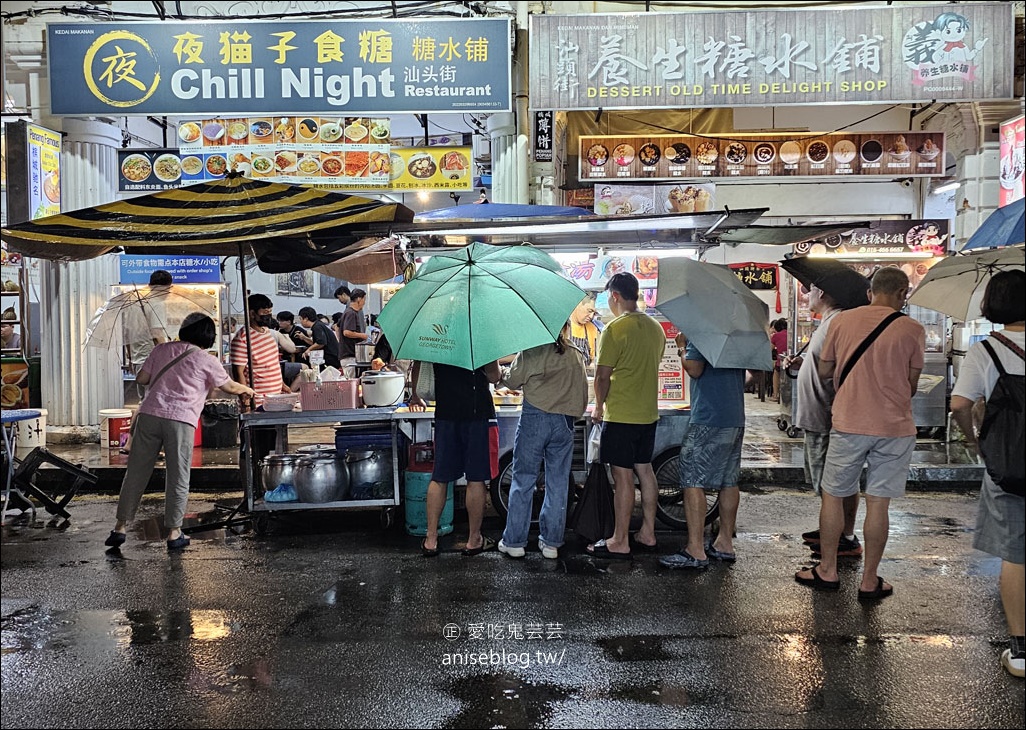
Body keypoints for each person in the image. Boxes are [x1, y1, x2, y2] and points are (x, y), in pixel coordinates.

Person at [795, 267, 924, 599]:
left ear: (870, 293)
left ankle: (827, 570)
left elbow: (824, 370)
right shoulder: (913, 329)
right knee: (878, 503)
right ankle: (869, 580)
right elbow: (911, 385)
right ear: (903, 293)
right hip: (895, 428)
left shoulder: (841, 322)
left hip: (849, 422)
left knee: (834, 494)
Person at [104, 313, 255, 551]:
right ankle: (174, 533)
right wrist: (247, 389)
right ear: (208, 336)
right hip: (180, 420)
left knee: (135, 473)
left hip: (149, 416)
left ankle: (119, 528)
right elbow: (228, 386)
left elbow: (142, 379)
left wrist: (159, 358)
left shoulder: (161, 349)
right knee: (178, 475)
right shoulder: (206, 358)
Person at [949, 270, 1025, 678]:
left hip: (1009, 462)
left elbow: (960, 403)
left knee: (1016, 553)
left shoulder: (986, 351)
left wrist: (975, 438)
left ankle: (1020, 650)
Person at [586, 272, 666, 560]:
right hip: (648, 414)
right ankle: (648, 532)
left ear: (615, 296)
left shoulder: (615, 329)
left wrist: (598, 406)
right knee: (644, 470)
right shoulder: (656, 328)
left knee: (622, 477)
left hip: (621, 415)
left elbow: (603, 376)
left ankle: (620, 540)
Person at [785, 284, 866, 560]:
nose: (808, 295)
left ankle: (842, 538)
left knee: (832, 484)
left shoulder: (838, 322)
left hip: (827, 416)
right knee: (832, 482)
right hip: (819, 415)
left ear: (826, 294)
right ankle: (838, 532)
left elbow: (839, 368)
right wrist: (802, 363)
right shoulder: (830, 321)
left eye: (813, 290)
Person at [498, 322, 588, 560]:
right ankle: (551, 543)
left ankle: (515, 542)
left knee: (523, 478)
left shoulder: (532, 350)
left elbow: (511, 381)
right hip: (565, 422)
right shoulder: (574, 354)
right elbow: (583, 391)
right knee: (558, 482)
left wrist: (501, 371)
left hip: (535, 419)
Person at [659, 332, 746, 569]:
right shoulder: (734, 334)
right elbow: (748, 376)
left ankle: (695, 549)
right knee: (729, 479)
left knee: (691, 478)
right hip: (735, 414)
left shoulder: (703, 332)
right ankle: (724, 543)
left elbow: (694, 368)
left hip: (709, 415)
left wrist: (681, 347)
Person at [409, 358, 502, 557]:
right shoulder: (479, 332)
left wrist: (415, 397)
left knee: (440, 476)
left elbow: (418, 365)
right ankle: (474, 539)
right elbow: (494, 376)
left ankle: (431, 539)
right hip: (478, 413)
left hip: (445, 412)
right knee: (475, 478)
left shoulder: (436, 330)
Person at [338, 288, 370, 371]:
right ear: (359, 299)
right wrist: (362, 335)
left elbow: (337, 326)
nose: (364, 302)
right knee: (352, 381)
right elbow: (347, 332)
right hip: (349, 356)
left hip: (351, 355)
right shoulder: (350, 313)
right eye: (364, 299)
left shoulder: (350, 312)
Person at [568, 294, 600, 369]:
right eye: (589, 311)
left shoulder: (592, 328)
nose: (591, 316)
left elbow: (593, 360)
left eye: (594, 313)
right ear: (578, 304)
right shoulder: (564, 327)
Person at [770, 318, 788, 402]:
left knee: (776, 372)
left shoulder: (776, 336)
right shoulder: (791, 334)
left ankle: (775, 394)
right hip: (792, 360)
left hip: (780, 361)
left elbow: (769, 349)